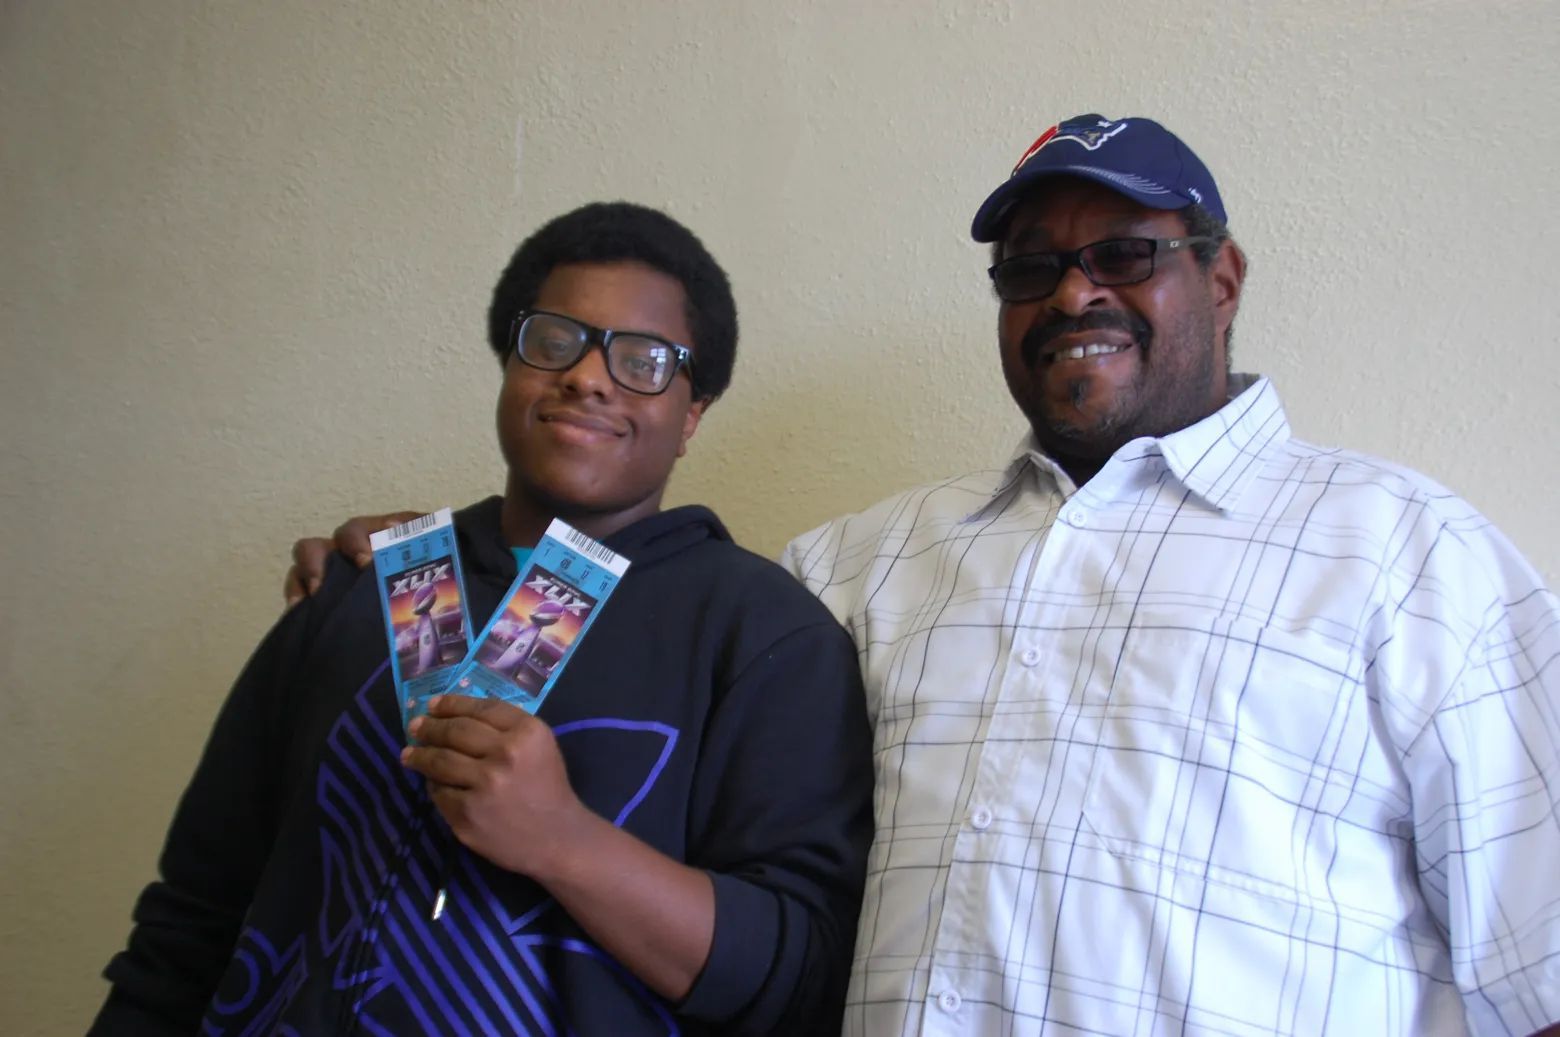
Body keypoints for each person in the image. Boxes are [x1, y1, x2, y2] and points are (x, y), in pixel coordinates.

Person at [283, 117, 1560, 1036]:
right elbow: (643, 647)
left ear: (1218, 279)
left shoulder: (1405, 553)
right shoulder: (853, 565)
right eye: (1030, 267)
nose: (1074, 291)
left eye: (1126, 253)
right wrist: (440, 558)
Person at [93, 201, 874, 1036]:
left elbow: (803, 973)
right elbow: (194, 912)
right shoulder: (368, 585)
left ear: (692, 414)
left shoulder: (766, 635)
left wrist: (562, 839)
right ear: (509, 362)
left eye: (643, 360)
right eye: (554, 339)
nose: (588, 375)